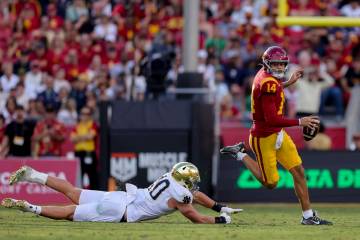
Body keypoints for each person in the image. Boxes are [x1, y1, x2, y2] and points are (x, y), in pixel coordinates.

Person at [220, 46, 332, 225]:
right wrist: (299, 122)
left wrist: (288, 83)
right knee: (270, 183)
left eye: (281, 64)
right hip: (264, 137)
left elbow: (271, 90)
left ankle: (308, 216)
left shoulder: (265, 76)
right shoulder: (268, 83)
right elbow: (272, 119)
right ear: (267, 63)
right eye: (276, 64)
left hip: (278, 133)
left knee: (299, 172)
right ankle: (240, 153)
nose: (279, 67)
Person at [1, 162, 241, 224]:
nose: (194, 186)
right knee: (71, 212)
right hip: (122, 211)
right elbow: (196, 218)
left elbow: (197, 196)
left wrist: (219, 206)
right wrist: (221, 220)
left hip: (122, 196)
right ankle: (30, 207)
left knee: (74, 192)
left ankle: (34, 175)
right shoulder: (182, 196)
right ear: (185, 180)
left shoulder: (170, 178)